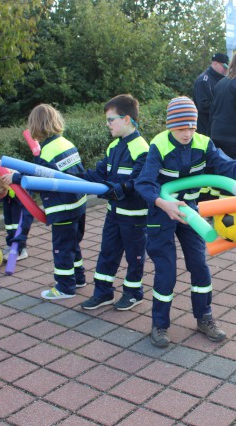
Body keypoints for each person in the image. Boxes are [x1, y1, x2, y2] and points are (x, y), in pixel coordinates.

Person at [135, 96, 236, 348]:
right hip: (162, 212)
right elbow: (144, 183)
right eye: (181, 128)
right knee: (166, 271)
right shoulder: (158, 145)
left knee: (199, 265)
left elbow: (226, 164)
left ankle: (204, 318)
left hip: (189, 213)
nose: (187, 133)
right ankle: (160, 325)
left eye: (191, 126)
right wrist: (162, 203)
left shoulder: (203, 143)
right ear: (170, 127)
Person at [3, 104, 87, 300]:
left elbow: (38, 180)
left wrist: (15, 178)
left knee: (62, 247)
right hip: (79, 204)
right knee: (73, 243)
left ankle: (65, 287)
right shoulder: (67, 143)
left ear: (35, 127)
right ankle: (79, 277)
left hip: (62, 208)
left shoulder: (46, 153)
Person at [78, 94, 150, 311]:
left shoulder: (142, 148)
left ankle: (133, 293)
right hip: (114, 214)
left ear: (126, 119)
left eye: (111, 120)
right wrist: (74, 177)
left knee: (134, 256)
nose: (107, 124)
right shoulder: (114, 147)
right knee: (107, 252)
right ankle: (103, 292)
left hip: (135, 218)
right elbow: (100, 174)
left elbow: (139, 181)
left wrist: (119, 190)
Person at [193, 53, 229, 137]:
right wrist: (225, 106)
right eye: (223, 67)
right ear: (215, 63)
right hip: (205, 128)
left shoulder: (221, 80)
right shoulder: (204, 80)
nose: (225, 70)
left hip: (216, 128)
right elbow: (203, 106)